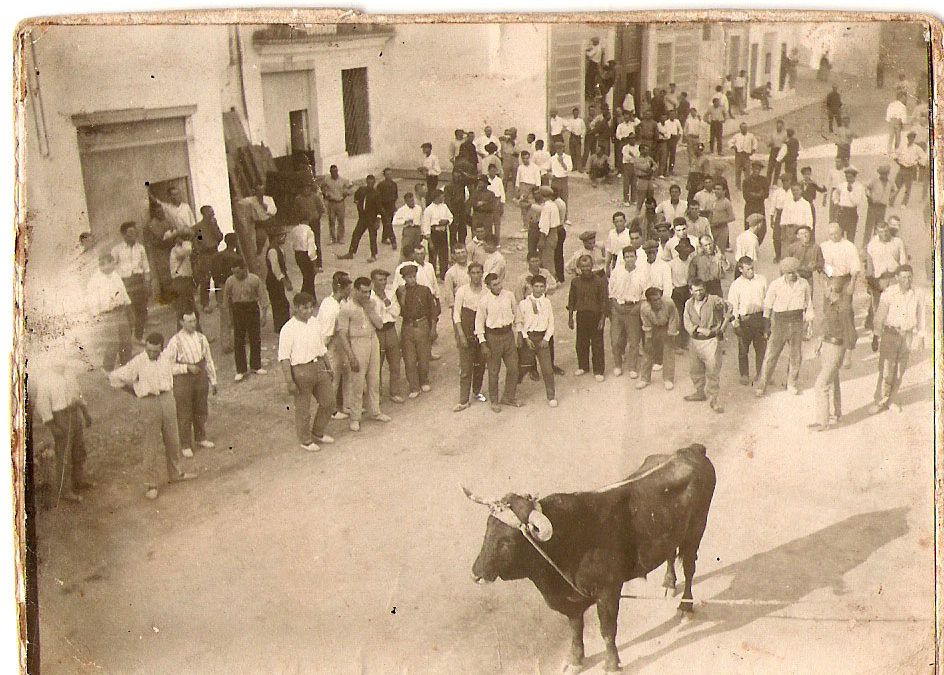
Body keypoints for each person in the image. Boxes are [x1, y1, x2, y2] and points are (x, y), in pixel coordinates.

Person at [108, 332, 197, 499]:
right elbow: (116, 378)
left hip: (167, 398)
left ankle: (176, 473)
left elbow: (173, 368)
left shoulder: (165, 358)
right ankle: (151, 484)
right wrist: (135, 391)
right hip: (149, 403)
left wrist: (186, 368)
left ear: (161, 349)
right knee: (151, 444)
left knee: (173, 439)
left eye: (155, 351)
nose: (151, 354)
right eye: (148, 350)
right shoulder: (138, 361)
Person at [279, 292, 337, 452]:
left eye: (311, 307)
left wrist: (328, 366)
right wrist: (290, 381)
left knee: (328, 402)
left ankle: (318, 432)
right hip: (301, 371)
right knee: (304, 409)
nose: (309, 311)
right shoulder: (288, 329)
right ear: (296, 308)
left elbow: (321, 348)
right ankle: (305, 440)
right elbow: (284, 358)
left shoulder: (314, 323)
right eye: (305, 308)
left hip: (318, 366)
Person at [34, 360, 94, 503]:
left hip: (74, 413)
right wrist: (53, 426)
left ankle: (78, 480)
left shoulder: (70, 374)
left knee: (79, 449)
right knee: (64, 454)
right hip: (59, 416)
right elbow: (42, 405)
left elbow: (78, 395)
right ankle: (65, 490)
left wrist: (85, 413)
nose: (60, 364)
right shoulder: (45, 380)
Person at [337, 277, 391, 432]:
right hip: (357, 343)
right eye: (363, 292)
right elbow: (342, 334)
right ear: (355, 290)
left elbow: (380, 324)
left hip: (372, 340)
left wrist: (368, 309)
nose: (366, 295)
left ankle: (375, 411)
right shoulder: (347, 308)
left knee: (374, 378)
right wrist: (351, 356)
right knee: (357, 382)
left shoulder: (372, 303)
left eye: (369, 292)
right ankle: (355, 417)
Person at [755, 257, 813, 397]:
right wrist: (766, 325)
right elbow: (768, 305)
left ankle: (791, 383)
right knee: (771, 355)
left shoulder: (804, 284)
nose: (792, 275)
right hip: (780, 321)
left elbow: (809, 304)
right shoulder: (775, 285)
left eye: (794, 272)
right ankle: (762, 385)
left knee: (795, 355)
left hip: (797, 320)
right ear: (783, 273)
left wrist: (809, 323)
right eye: (788, 272)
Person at [164, 310, 217, 458]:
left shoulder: (201, 338)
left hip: (200, 374)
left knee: (201, 407)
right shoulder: (175, 341)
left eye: (194, 321)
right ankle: (185, 444)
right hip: (183, 379)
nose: (193, 324)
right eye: (189, 321)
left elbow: (208, 360)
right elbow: (168, 366)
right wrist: (186, 368)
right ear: (181, 322)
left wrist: (213, 380)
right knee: (184, 411)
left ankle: (201, 437)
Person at [871, 265, 923, 413]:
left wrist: (920, 336)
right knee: (887, 370)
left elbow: (921, 315)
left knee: (900, 370)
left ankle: (892, 399)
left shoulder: (917, 293)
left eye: (909, 277)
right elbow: (880, 315)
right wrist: (876, 335)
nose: (907, 280)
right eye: (904, 277)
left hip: (907, 334)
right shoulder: (889, 293)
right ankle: (880, 400)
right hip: (890, 334)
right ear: (897, 278)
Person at [809, 276, 857, 431]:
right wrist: (820, 340)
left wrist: (848, 355)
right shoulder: (831, 304)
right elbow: (827, 323)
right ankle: (837, 413)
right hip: (828, 345)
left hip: (837, 347)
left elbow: (851, 333)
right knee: (832, 381)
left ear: (831, 289)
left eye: (825, 287)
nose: (823, 290)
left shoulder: (844, 308)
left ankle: (822, 422)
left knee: (821, 384)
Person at [475, 272, 521, 412]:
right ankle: (494, 400)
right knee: (494, 371)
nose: (498, 287)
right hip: (492, 337)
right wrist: (483, 343)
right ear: (488, 286)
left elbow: (517, 314)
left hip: (508, 335)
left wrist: (518, 333)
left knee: (513, 368)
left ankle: (508, 396)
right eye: (494, 285)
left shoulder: (509, 295)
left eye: (499, 283)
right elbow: (479, 324)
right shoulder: (484, 301)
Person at [682, 279, 730, 412]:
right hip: (695, 341)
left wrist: (723, 324)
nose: (699, 292)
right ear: (691, 291)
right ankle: (699, 392)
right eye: (696, 290)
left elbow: (729, 307)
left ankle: (714, 399)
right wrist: (698, 329)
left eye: (701, 289)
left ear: (705, 289)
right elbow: (687, 322)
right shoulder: (688, 304)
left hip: (711, 341)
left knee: (713, 371)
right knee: (695, 369)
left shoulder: (713, 300)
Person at [396, 264, 438, 398]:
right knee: (409, 358)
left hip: (422, 324)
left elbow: (433, 310)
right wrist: (402, 296)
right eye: (408, 277)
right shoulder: (401, 291)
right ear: (403, 278)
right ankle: (414, 386)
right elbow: (400, 311)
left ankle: (424, 380)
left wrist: (433, 328)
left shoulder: (424, 290)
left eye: (413, 276)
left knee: (423, 356)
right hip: (408, 326)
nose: (412, 280)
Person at [223, 258, 268, 382]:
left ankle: (256, 366)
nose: (236, 275)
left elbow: (263, 298)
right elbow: (226, 301)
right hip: (237, 310)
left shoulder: (254, 280)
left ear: (244, 269)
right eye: (234, 272)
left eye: (238, 272)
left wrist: (264, 315)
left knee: (255, 338)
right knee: (239, 340)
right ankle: (241, 370)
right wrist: (228, 318)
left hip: (251, 308)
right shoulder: (230, 281)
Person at [87, 253, 134, 371]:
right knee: (113, 343)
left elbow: (123, 292)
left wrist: (128, 308)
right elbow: (92, 301)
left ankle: (125, 366)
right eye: (103, 264)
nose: (107, 266)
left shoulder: (115, 275)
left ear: (113, 262)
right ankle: (107, 368)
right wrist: (97, 317)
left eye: (109, 262)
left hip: (120, 311)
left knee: (126, 340)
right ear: (99, 265)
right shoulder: (94, 281)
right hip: (107, 314)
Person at [517, 275, 557, 406]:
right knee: (523, 367)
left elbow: (551, 323)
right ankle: (511, 392)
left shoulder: (547, 303)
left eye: (541, 286)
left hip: (542, 338)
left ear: (545, 288)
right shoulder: (524, 304)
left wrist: (546, 339)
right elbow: (519, 323)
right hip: (529, 338)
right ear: (531, 287)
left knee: (547, 369)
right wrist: (525, 338)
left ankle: (551, 396)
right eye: (536, 286)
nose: (539, 289)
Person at [452, 262, 487, 411]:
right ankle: (463, 399)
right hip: (466, 331)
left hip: (482, 332)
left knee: (480, 364)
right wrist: (460, 334)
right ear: (469, 274)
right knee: (466, 367)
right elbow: (456, 314)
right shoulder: (462, 291)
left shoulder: (486, 291)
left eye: (479, 272)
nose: (476, 276)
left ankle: (477, 391)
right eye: (473, 273)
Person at [727, 256, 768, 385]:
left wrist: (767, 320)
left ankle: (761, 373)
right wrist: (735, 323)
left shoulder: (761, 280)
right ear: (740, 269)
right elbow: (732, 305)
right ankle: (744, 374)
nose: (751, 271)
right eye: (748, 269)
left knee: (761, 348)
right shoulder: (736, 285)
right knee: (743, 349)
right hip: (745, 321)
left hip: (759, 318)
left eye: (752, 268)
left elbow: (767, 300)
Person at [318, 272, 353, 418]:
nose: (350, 292)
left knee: (347, 374)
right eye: (348, 289)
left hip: (341, 345)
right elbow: (326, 335)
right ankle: (331, 411)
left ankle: (347, 405)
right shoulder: (330, 308)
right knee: (333, 378)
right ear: (342, 289)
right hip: (331, 346)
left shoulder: (341, 302)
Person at [567, 254, 607, 380]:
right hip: (581, 316)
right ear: (578, 267)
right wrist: (570, 318)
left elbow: (604, 301)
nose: (585, 269)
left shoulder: (599, 281)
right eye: (582, 266)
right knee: (581, 343)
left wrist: (602, 319)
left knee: (597, 344)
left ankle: (599, 371)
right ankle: (583, 366)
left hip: (595, 316)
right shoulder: (575, 282)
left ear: (592, 266)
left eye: (588, 266)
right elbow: (571, 300)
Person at [607, 246, 645, 379]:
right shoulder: (616, 272)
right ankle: (618, 365)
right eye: (626, 257)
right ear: (623, 259)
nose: (629, 259)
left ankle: (633, 367)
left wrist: (637, 307)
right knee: (615, 339)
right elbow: (610, 291)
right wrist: (615, 306)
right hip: (618, 308)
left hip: (633, 308)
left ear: (636, 257)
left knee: (634, 341)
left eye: (631, 256)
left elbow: (645, 294)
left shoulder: (642, 273)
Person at [369, 269, 406, 405]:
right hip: (377, 332)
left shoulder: (390, 293)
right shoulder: (370, 296)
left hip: (390, 330)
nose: (383, 283)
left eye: (384, 280)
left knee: (395, 363)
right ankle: (376, 395)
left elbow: (396, 312)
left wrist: (386, 300)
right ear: (373, 281)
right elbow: (374, 317)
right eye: (380, 280)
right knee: (376, 366)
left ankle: (394, 392)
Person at [865, 221, 909, 331]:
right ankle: (876, 329)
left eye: (886, 231)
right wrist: (869, 281)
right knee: (878, 304)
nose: (884, 234)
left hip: (894, 277)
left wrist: (903, 279)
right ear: (876, 232)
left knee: (896, 302)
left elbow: (903, 262)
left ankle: (894, 326)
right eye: (881, 232)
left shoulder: (897, 242)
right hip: (879, 279)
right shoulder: (872, 245)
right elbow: (870, 265)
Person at [111, 221, 151, 342]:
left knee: (142, 311)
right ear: (123, 234)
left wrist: (147, 283)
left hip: (138, 281)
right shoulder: (117, 250)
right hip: (124, 283)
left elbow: (146, 267)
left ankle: (138, 337)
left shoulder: (140, 248)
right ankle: (127, 341)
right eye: (130, 232)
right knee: (127, 313)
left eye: (135, 231)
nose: (134, 234)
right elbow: (111, 269)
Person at [638, 284, 680, 390]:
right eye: (655, 300)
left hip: (667, 326)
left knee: (668, 351)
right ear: (649, 301)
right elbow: (646, 324)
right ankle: (644, 379)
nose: (658, 302)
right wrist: (648, 338)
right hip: (653, 327)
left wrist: (671, 333)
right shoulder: (644, 308)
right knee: (648, 351)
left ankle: (668, 379)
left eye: (659, 298)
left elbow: (674, 319)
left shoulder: (669, 303)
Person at [339, 174, 381, 263]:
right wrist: (357, 203)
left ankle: (374, 255)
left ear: (374, 183)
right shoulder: (362, 190)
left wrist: (378, 219)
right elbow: (356, 197)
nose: (370, 184)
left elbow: (380, 208)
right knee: (356, 234)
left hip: (372, 218)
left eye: (372, 183)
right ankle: (351, 253)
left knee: (372, 237)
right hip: (363, 217)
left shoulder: (376, 194)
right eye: (368, 182)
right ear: (366, 182)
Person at [192, 206, 223, 313]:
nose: (212, 213)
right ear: (204, 213)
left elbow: (219, 237)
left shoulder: (214, 224)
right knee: (205, 280)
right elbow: (197, 241)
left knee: (218, 277)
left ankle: (220, 301)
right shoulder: (198, 227)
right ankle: (205, 303)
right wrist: (200, 249)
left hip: (215, 252)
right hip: (205, 255)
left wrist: (214, 227)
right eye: (210, 212)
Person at [214, 233, 241, 354]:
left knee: (224, 315)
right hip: (233, 286)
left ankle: (226, 343)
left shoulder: (218, 256)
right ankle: (238, 339)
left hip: (220, 286)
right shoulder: (236, 257)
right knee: (237, 312)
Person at [889, 130, 928, 207]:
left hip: (910, 169)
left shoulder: (917, 148)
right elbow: (894, 154)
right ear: (907, 138)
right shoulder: (902, 147)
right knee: (896, 186)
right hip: (902, 168)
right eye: (910, 138)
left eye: (913, 138)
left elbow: (924, 157)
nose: (911, 139)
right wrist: (897, 160)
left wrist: (917, 163)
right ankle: (891, 201)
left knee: (907, 188)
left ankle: (904, 203)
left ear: (914, 139)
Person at [264, 230, 292, 333]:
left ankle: (281, 326)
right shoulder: (273, 251)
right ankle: (281, 327)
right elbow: (276, 269)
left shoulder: (279, 249)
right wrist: (285, 281)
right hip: (274, 281)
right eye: (282, 235)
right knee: (280, 303)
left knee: (281, 303)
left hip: (277, 280)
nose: (284, 238)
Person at [832, 166, 867, 246]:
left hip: (852, 212)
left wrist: (851, 192)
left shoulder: (859, 187)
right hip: (842, 211)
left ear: (854, 176)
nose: (848, 179)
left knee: (850, 236)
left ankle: (849, 253)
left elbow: (857, 201)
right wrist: (836, 201)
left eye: (850, 177)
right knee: (839, 234)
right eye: (847, 177)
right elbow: (835, 193)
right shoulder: (842, 185)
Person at [422, 189, 454, 278]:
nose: (443, 198)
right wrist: (429, 240)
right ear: (437, 197)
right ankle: (432, 275)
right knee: (433, 254)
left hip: (443, 233)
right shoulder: (428, 210)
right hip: (434, 233)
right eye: (442, 196)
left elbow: (451, 217)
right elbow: (426, 225)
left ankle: (444, 273)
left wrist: (446, 221)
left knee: (444, 253)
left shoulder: (444, 207)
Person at [169, 232, 199, 324]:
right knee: (185, 311)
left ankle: (196, 333)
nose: (185, 239)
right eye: (183, 237)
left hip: (185, 281)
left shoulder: (180, 250)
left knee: (190, 310)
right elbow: (188, 250)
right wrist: (185, 242)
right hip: (180, 281)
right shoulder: (176, 250)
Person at [295, 182, 327, 266]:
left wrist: (316, 218)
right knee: (304, 242)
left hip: (314, 222)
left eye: (308, 188)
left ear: (310, 188)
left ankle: (318, 264)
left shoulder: (315, 197)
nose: (306, 190)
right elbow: (296, 212)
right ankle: (307, 262)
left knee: (316, 242)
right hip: (304, 224)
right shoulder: (298, 199)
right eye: (304, 188)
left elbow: (321, 209)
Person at [533, 187, 562, 277]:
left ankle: (552, 281)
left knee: (547, 261)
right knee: (548, 258)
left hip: (548, 235)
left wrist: (541, 240)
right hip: (554, 233)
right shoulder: (553, 205)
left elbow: (545, 226)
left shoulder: (547, 207)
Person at [780, 182, 815, 254]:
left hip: (801, 229)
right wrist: (783, 231)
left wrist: (807, 232)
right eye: (793, 190)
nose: (795, 192)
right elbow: (783, 217)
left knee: (800, 251)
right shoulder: (787, 203)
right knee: (787, 251)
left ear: (801, 191)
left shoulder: (805, 204)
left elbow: (809, 219)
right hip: (789, 230)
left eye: (797, 190)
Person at [323, 165, 354, 244]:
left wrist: (346, 194)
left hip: (340, 202)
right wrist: (325, 195)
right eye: (332, 172)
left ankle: (340, 238)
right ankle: (332, 238)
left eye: (335, 171)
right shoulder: (327, 180)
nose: (334, 173)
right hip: (331, 203)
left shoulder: (343, 180)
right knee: (331, 221)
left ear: (337, 171)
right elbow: (321, 187)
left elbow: (350, 188)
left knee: (341, 221)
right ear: (330, 172)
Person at [864, 165, 894, 245]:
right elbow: (866, 187)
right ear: (879, 174)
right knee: (869, 227)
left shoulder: (890, 183)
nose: (883, 175)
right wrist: (868, 197)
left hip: (882, 207)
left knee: (879, 227)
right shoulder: (874, 181)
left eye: (885, 174)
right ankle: (865, 245)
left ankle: (875, 245)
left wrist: (889, 198)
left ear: (888, 174)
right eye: (882, 174)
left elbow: (894, 190)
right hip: (873, 206)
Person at [291, 216, 318, 300]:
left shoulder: (294, 229)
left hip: (297, 254)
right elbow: (311, 249)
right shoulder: (309, 231)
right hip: (306, 254)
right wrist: (314, 264)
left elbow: (292, 244)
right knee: (310, 277)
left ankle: (307, 296)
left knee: (306, 276)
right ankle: (308, 297)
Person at [741, 161, 769, 238]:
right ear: (752, 169)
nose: (757, 170)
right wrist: (759, 195)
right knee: (749, 228)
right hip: (750, 207)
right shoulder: (746, 181)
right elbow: (746, 196)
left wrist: (753, 194)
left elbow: (766, 194)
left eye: (758, 169)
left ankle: (757, 244)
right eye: (755, 168)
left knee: (762, 229)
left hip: (760, 207)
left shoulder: (764, 180)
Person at [728, 122, 759, 190]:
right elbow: (730, 142)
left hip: (746, 155)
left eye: (745, 127)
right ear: (740, 128)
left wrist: (753, 149)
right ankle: (738, 186)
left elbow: (755, 142)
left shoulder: (750, 135)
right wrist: (733, 146)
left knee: (747, 171)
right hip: (738, 155)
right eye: (743, 127)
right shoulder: (737, 136)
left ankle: (748, 186)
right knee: (738, 171)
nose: (744, 129)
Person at [733, 214, 763, 279]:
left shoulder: (741, 235)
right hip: (746, 270)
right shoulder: (753, 241)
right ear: (759, 225)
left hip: (739, 267)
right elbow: (752, 259)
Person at [376, 168, 399, 250]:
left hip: (391, 206)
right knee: (388, 223)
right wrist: (380, 208)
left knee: (388, 223)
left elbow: (396, 195)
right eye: (387, 174)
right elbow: (378, 197)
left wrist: (393, 204)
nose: (389, 176)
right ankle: (393, 241)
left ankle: (384, 238)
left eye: (390, 174)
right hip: (384, 207)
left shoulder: (394, 184)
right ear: (384, 175)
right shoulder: (381, 185)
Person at [708, 183, 735, 252]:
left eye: (719, 189)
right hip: (712, 229)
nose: (716, 191)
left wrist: (719, 222)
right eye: (715, 189)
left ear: (724, 191)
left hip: (722, 230)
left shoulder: (726, 202)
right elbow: (711, 213)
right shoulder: (714, 201)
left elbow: (732, 217)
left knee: (719, 251)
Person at [798, 166, 826, 232]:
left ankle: (812, 240)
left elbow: (823, 190)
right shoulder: (799, 184)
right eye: (805, 174)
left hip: (810, 205)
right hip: (801, 206)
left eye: (808, 174)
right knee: (801, 222)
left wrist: (824, 200)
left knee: (812, 222)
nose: (807, 176)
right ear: (802, 175)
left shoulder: (813, 184)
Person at [766, 119, 787, 186]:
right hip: (773, 150)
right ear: (776, 126)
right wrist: (770, 143)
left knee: (777, 167)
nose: (779, 127)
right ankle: (768, 182)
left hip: (780, 151)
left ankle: (775, 183)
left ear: (782, 126)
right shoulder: (773, 133)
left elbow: (786, 143)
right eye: (778, 126)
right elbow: (768, 143)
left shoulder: (784, 134)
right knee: (770, 167)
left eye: (780, 126)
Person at [565, 107, 586, 171]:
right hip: (572, 136)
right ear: (573, 113)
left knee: (578, 153)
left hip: (578, 137)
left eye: (576, 113)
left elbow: (583, 129)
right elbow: (568, 128)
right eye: (574, 113)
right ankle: (574, 166)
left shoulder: (581, 121)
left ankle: (579, 167)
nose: (575, 114)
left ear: (578, 113)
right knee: (572, 152)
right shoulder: (570, 120)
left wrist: (582, 136)